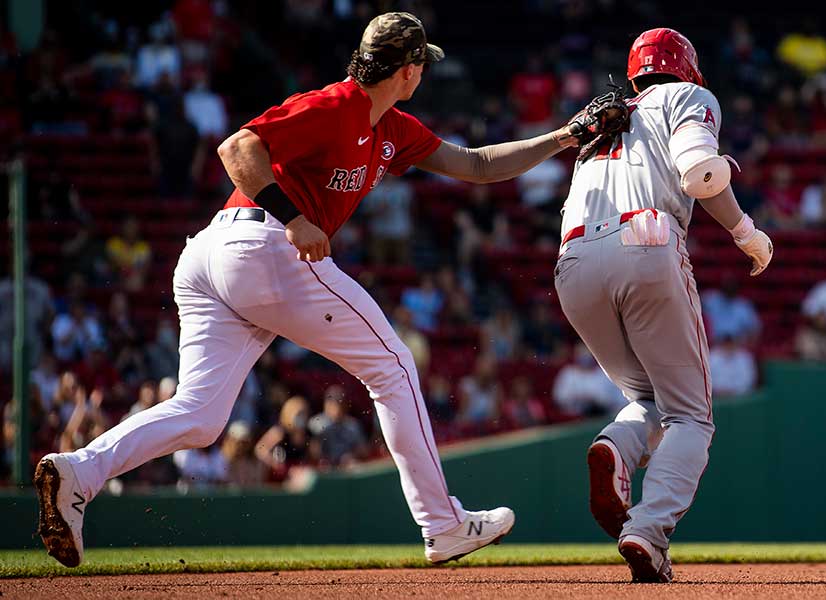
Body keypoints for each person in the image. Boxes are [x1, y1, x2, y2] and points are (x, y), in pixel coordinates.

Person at [35, 11, 581, 568]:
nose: (424, 75)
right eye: (422, 64)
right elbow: (235, 149)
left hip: (218, 258)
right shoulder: (335, 104)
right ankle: (442, 524)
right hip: (259, 247)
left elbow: (479, 165)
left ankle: (80, 471)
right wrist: (293, 217)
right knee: (393, 364)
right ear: (409, 71)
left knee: (200, 416)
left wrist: (567, 135)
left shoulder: (393, 127)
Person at [553, 28, 773, 582]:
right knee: (692, 415)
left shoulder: (599, 126)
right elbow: (699, 170)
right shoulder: (687, 96)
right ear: (687, 68)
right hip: (646, 242)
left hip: (572, 262)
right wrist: (746, 232)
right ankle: (647, 530)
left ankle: (616, 447)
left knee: (650, 398)